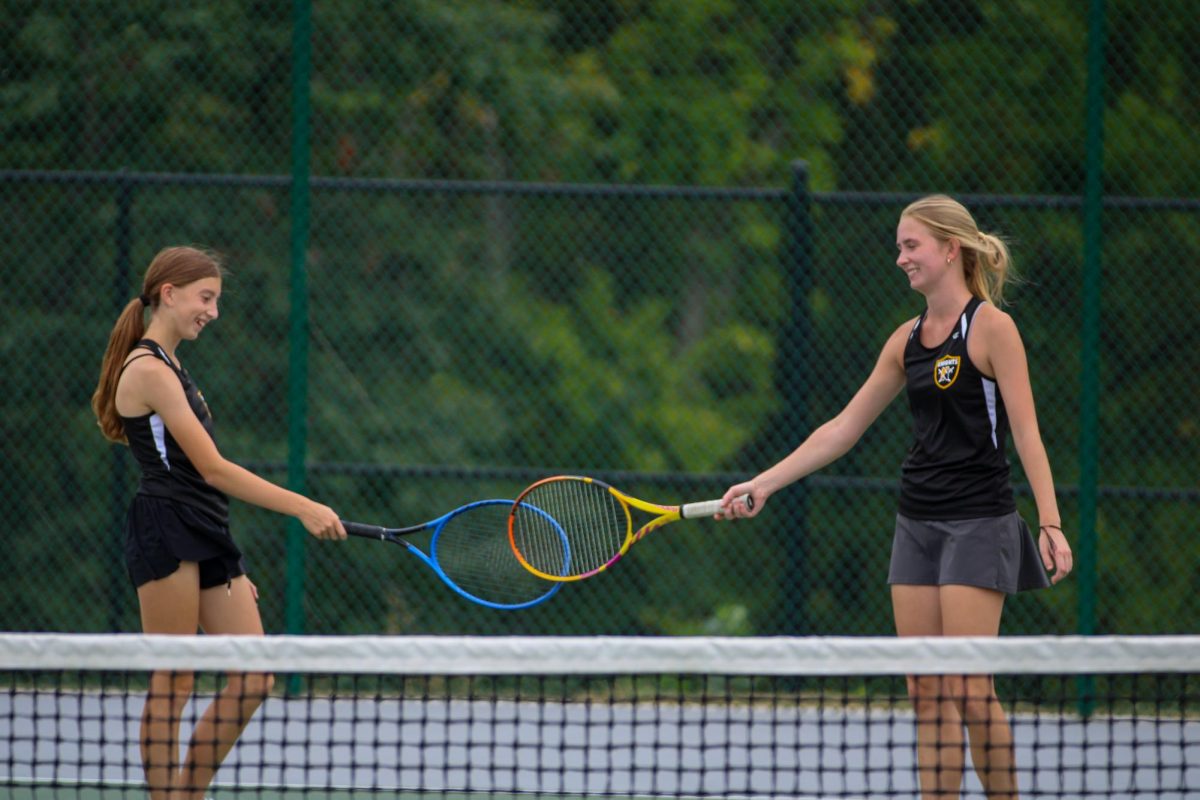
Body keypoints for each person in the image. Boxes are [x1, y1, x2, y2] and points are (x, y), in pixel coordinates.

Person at [718, 195, 1073, 799]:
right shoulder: (904, 341)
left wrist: (1051, 522)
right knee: (925, 690)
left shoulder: (992, 329)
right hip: (917, 526)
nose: (901, 257)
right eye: (899, 246)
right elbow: (842, 428)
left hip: (978, 523)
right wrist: (764, 483)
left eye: (912, 245)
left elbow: (1028, 432)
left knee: (967, 687)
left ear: (949, 249)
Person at [91, 245, 346, 800]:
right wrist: (304, 506)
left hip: (206, 532)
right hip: (164, 528)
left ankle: (188, 794)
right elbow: (211, 468)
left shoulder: (176, 365)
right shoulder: (148, 368)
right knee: (175, 680)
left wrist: (226, 555)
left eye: (217, 300)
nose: (213, 311)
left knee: (254, 678)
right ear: (169, 293)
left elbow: (200, 479)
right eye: (206, 298)